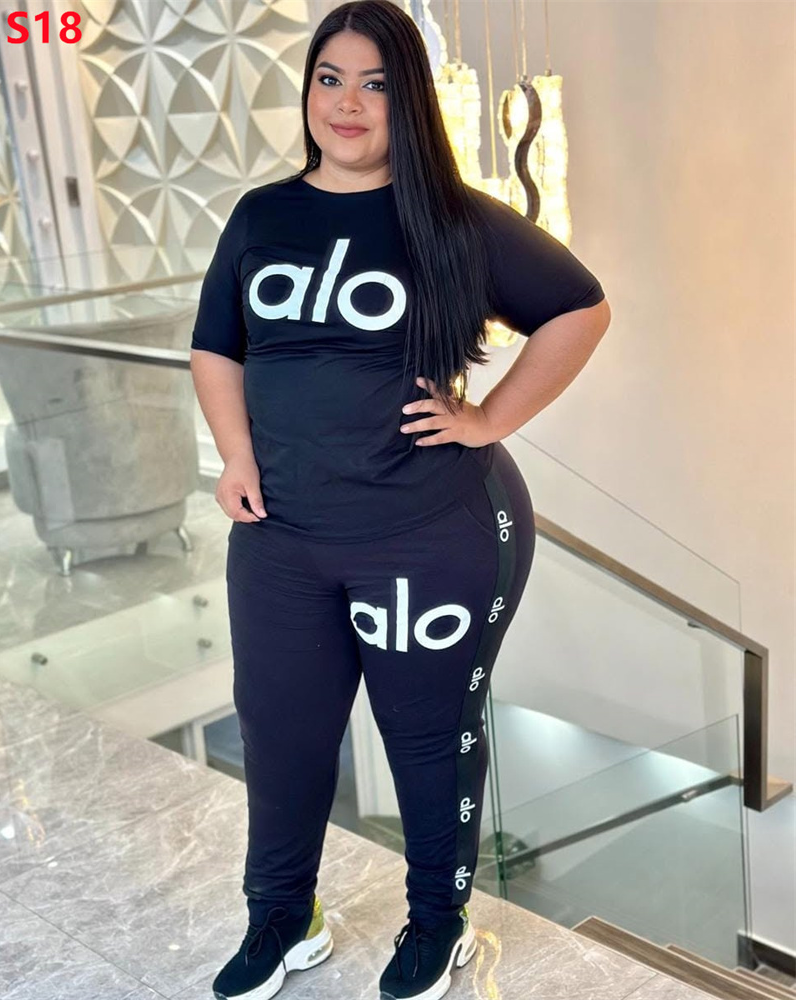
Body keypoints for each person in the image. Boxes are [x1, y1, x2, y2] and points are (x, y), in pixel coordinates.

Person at [189, 2, 610, 998]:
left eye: (374, 83)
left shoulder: (454, 219)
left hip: (428, 533)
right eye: (329, 78)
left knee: (424, 742)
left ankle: (436, 922)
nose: (347, 102)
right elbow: (216, 348)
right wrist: (236, 456)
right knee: (280, 734)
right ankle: (281, 917)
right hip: (279, 537)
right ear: (308, 90)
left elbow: (579, 310)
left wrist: (488, 418)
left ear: (408, 99)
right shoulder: (262, 216)